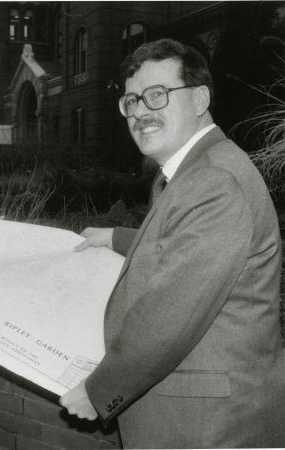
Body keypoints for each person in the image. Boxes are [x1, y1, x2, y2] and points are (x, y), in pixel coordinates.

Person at [59, 38, 285, 448]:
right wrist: (114, 237)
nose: (140, 111)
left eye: (157, 96)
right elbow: (183, 245)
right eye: (131, 101)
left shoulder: (215, 181)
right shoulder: (193, 170)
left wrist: (100, 390)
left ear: (199, 99)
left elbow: (171, 315)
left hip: (207, 426)